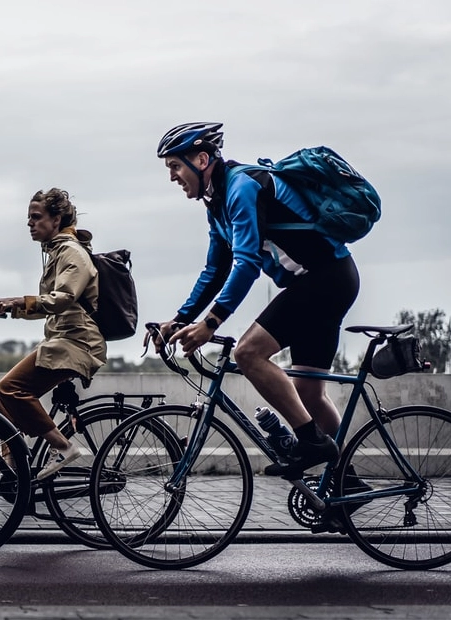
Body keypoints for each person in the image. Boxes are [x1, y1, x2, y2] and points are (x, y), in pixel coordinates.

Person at [150, 121, 360, 481]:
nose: (172, 176)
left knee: (247, 353)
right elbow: (215, 269)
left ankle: (312, 443)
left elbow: (246, 263)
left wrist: (211, 322)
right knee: (308, 393)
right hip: (321, 282)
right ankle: (346, 485)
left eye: (175, 166)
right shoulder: (216, 202)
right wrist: (182, 318)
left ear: (201, 159)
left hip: (325, 279)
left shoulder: (241, 188)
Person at [0, 188, 107, 491]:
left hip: (77, 344)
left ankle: (63, 447)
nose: (30, 224)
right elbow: (49, 303)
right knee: (3, 402)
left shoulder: (72, 253)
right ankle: (12, 473)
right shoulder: (59, 252)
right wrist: (10, 308)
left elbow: (62, 299)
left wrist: (17, 301)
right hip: (64, 340)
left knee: (9, 388)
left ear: (56, 219)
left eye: (36, 217)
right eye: (29, 219)